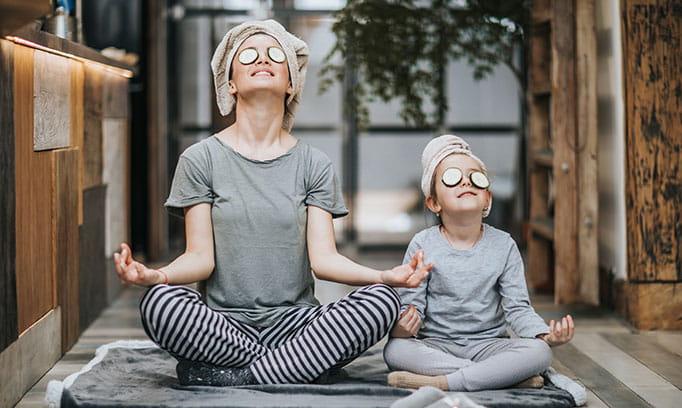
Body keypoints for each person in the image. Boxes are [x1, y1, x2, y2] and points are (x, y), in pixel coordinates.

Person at [113, 19, 432, 387]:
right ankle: (301, 366)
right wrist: (157, 276)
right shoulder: (200, 160)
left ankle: (241, 377)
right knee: (159, 304)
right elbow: (201, 257)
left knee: (381, 301)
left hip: (297, 325)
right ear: (229, 83)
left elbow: (324, 260)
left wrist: (383, 277)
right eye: (248, 54)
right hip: (223, 328)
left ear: (291, 81)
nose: (262, 59)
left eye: (275, 54)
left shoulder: (314, 163)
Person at [383, 134, 575, 392]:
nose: (465, 181)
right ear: (434, 202)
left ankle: (445, 382)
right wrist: (403, 327)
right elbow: (411, 307)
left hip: (490, 345)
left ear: (487, 198)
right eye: (452, 177)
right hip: (437, 344)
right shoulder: (422, 244)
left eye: (475, 177)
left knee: (539, 352)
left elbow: (518, 307)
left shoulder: (504, 244)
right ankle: (502, 376)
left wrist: (544, 334)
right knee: (396, 350)